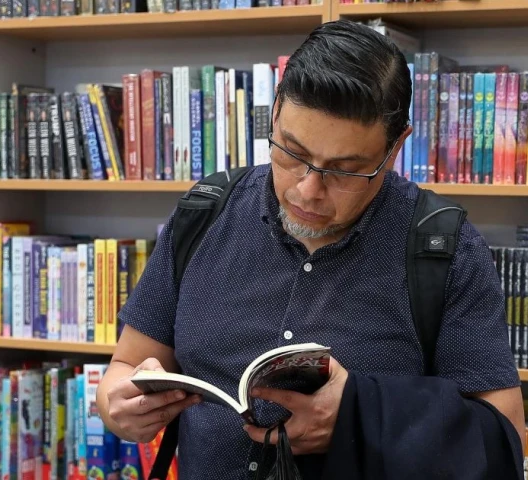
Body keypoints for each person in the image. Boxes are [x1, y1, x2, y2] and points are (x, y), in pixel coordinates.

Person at [95, 19, 526, 479]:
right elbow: (126, 365)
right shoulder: (206, 213)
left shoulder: (444, 248)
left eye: (345, 170)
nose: (308, 190)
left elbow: (503, 436)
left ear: (396, 147)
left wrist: (361, 417)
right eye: (291, 153)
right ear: (276, 111)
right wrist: (117, 404)